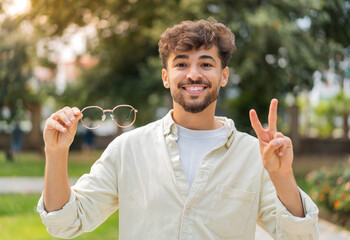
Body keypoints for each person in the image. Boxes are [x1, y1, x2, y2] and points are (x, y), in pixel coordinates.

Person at [38, 19, 319, 239]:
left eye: (206, 64)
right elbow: (65, 222)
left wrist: (282, 177)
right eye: (181, 64)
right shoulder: (129, 150)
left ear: (223, 76)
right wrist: (56, 152)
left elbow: (302, 237)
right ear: (165, 77)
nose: (193, 74)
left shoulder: (253, 155)